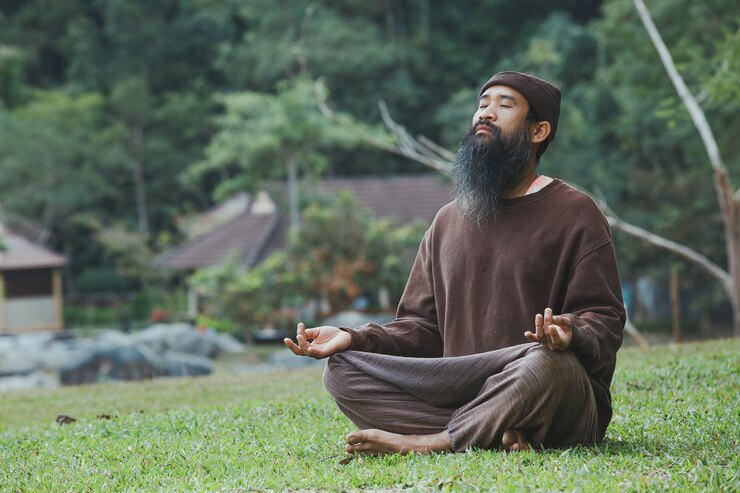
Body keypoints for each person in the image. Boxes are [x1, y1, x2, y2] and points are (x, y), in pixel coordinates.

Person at [284, 71, 625, 455]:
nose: (486, 114)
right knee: (343, 371)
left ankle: (433, 442)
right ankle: (499, 429)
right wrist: (353, 337)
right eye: (482, 105)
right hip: (465, 385)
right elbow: (421, 328)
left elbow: (606, 318)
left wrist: (570, 332)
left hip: (548, 386)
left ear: (538, 131)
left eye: (504, 105)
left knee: (545, 364)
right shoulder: (448, 220)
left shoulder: (575, 212)